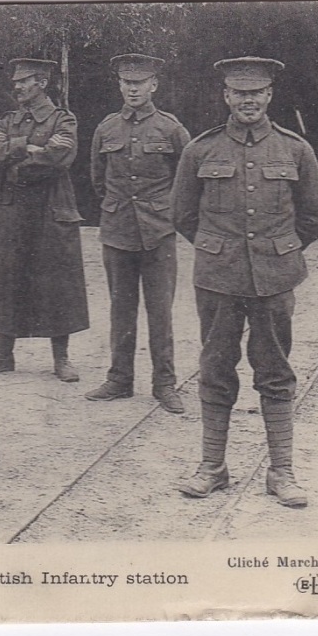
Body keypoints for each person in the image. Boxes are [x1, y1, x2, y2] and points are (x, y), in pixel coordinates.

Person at [172, 57, 318, 507]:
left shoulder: (295, 150)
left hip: (275, 280)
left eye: (255, 93)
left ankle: (282, 472)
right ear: (225, 96)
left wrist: (280, 249)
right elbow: (183, 214)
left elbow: (317, 216)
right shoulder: (200, 150)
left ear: (269, 96)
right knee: (216, 368)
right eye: (239, 93)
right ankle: (212, 468)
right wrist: (218, 249)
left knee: (276, 372)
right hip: (218, 279)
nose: (247, 101)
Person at [0, 58, 89, 382]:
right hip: (11, 209)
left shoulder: (63, 119)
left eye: (23, 81)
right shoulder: (8, 120)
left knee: (57, 280)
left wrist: (16, 159)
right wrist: (27, 146)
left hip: (51, 208)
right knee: (7, 277)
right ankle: (2, 354)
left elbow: (58, 157)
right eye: (15, 82)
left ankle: (61, 358)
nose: (17, 87)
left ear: (42, 82)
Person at [85, 54, 190, 413]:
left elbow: (186, 181)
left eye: (140, 82)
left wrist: (165, 213)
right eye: (127, 82)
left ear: (153, 85)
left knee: (160, 312)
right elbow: (97, 180)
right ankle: (119, 380)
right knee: (121, 310)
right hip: (117, 232)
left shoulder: (171, 129)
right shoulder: (106, 128)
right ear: (119, 85)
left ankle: (165, 384)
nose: (133, 88)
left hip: (159, 232)